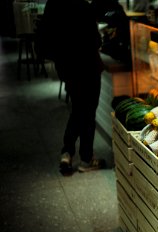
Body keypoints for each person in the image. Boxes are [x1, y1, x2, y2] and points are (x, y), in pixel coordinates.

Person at [41, 0, 106, 173]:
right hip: (87, 64)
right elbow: (98, 14)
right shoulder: (81, 4)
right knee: (88, 111)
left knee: (78, 109)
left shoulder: (53, 4)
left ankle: (67, 152)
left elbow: (46, 37)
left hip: (66, 67)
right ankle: (86, 159)